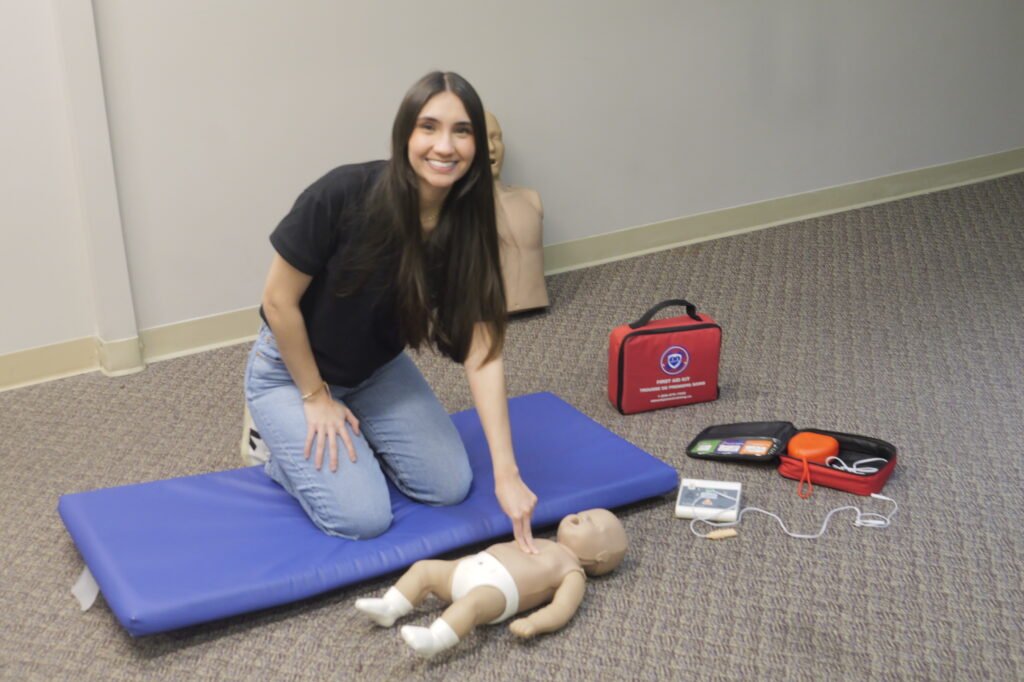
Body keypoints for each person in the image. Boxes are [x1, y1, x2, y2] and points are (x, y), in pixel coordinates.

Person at [244, 71, 538, 552]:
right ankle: (274, 445)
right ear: (406, 134)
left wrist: (507, 474)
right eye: (429, 127)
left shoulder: (468, 225)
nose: (445, 146)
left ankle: (352, 432)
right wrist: (316, 396)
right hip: (291, 373)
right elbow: (277, 301)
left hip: (375, 371)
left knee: (449, 486)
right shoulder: (342, 193)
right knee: (364, 518)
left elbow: (482, 351)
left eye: (462, 131)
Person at [354, 508, 628, 658]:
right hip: (470, 567)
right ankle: (391, 607)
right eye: (586, 512)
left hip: (499, 592)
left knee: (471, 605)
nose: (581, 516)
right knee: (424, 569)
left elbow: (562, 610)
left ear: (600, 557)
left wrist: (535, 623)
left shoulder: (572, 574)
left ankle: (436, 638)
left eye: (591, 523)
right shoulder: (545, 540)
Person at [486, 111, 550, 313]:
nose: (491, 147)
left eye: (496, 138)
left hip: (537, 302)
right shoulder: (457, 211)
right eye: (481, 139)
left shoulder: (530, 198)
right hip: (488, 312)